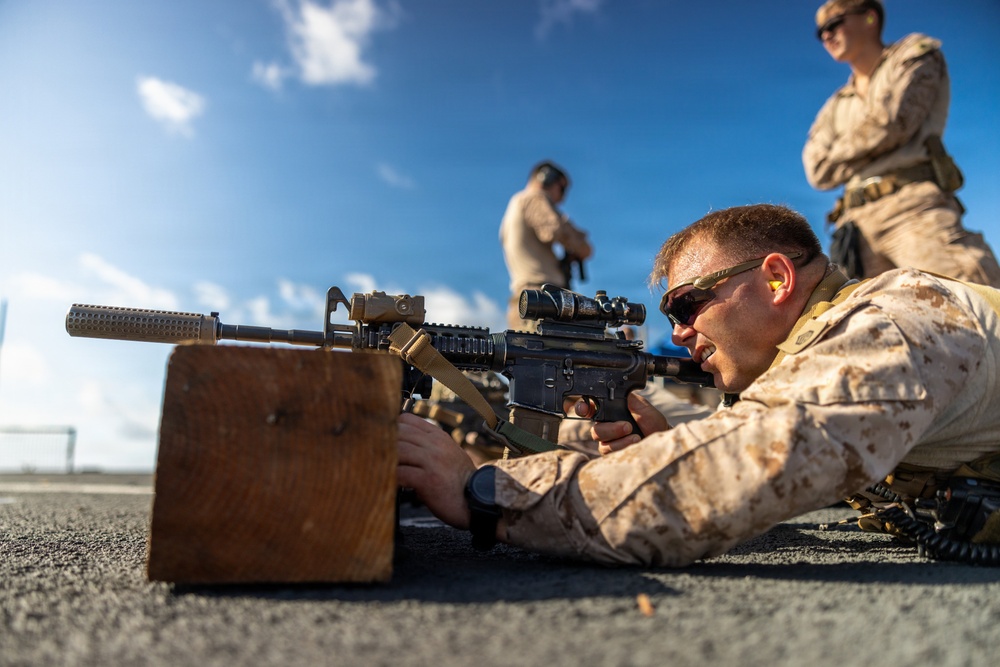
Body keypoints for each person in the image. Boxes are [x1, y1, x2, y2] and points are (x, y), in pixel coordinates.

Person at [398, 203, 1000, 566]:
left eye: (688, 305)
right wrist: (658, 454)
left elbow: (738, 468)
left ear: (775, 278)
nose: (681, 334)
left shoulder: (895, 319)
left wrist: (486, 491)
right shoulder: (825, 347)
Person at [803, 0, 1000, 285]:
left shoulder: (915, 54)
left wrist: (841, 152)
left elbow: (893, 123)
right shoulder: (834, 107)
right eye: (820, 31)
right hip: (856, 229)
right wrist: (869, 139)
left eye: (835, 24)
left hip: (912, 210)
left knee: (971, 301)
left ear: (870, 18)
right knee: (873, 324)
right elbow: (817, 170)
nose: (826, 36)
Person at [499, 161, 594, 330]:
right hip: (543, 301)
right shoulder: (534, 197)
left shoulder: (517, 204)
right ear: (546, 178)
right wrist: (579, 242)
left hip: (530, 301)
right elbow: (553, 230)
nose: (563, 198)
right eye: (562, 189)